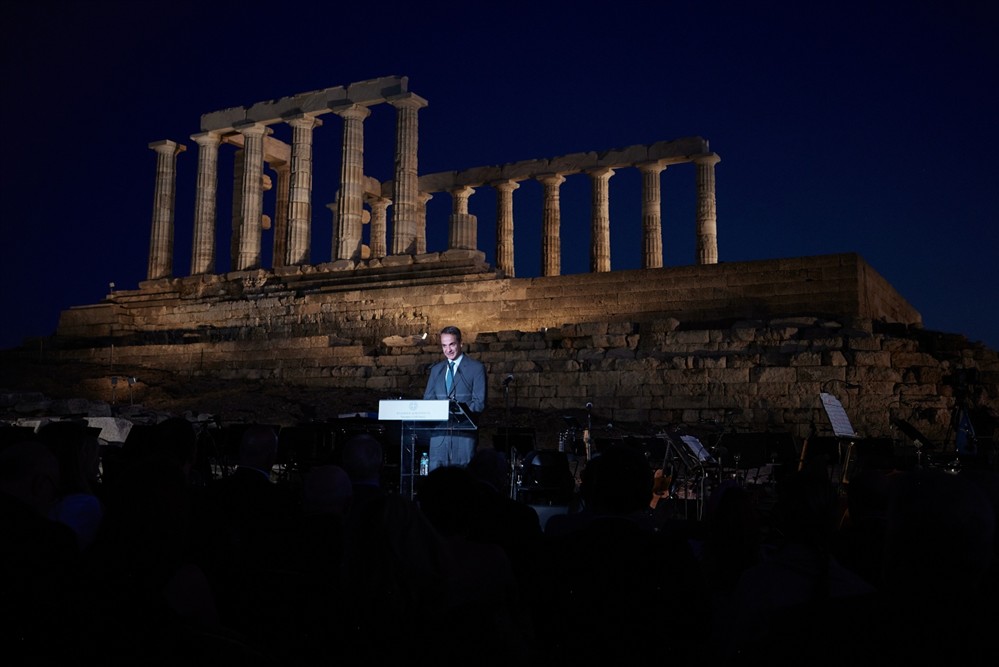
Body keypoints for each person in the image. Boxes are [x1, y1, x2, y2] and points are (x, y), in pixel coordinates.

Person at [422, 325, 487, 471]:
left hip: (463, 437)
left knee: (462, 484)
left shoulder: (476, 368)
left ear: (460, 343)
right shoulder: (436, 370)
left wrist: (458, 410)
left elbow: (479, 403)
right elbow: (428, 401)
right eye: (444, 345)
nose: (448, 350)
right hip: (439, 437)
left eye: (452, 344)